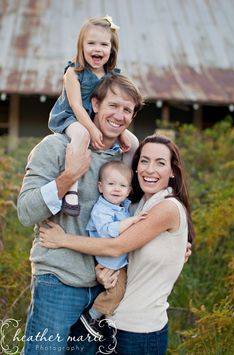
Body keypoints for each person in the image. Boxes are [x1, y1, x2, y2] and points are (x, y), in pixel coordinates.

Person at [17, 73, 144, 355]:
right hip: (57, 283)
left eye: (127, 109)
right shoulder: (56, 147)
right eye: (113, 105)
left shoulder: (124, 160)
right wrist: (69, 176)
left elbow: (139, 211)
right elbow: (25, 212)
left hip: (102, 289)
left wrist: (175, 241)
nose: (119, 115)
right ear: (95, 104)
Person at [39, 134, 195, 355]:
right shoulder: (138, 205)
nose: (150, 169)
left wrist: (62, 240)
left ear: (172, 171)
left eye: (160, 163)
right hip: (115, 324)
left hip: (142, 332)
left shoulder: (167, 207)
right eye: (144, 161)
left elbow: (116, 246)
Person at [48, 16, 139, 216]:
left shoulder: (111, 76)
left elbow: (115, 109)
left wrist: (121, 132)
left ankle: (126, 186)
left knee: (132, 143)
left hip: (95, 120)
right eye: (91, 43)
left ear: (111, 49)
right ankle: (71, 189)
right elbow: (76, 105)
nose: (97, 49)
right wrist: (91, 128)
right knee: (82, 136)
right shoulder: (73, 72)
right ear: (81, 46)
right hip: (71, 117)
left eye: (104, 44)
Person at [80, 160, 147, 339]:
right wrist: (132, 221)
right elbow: (108, 231)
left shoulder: (123, 206)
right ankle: (91, 317)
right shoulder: (101, 210)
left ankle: (107, 319)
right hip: (110, 262)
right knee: (117, 292)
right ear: (100, 187)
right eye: (111, 184)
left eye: (122, 185)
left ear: (129, 190)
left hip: (119, 260)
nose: (117, 189)